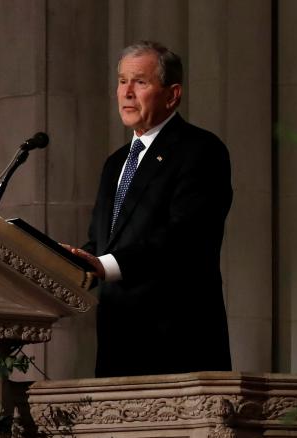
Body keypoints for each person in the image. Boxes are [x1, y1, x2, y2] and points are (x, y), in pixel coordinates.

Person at [68, 41, 232, 378]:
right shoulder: (115, 163)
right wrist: (61, 266)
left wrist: (103, 265)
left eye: (140, 82)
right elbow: (99, 244)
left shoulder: (200, 150)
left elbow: (184, 238)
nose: (126, 92)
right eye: (122, 81)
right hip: (117, 342)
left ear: (172, 95)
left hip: (176, 342)